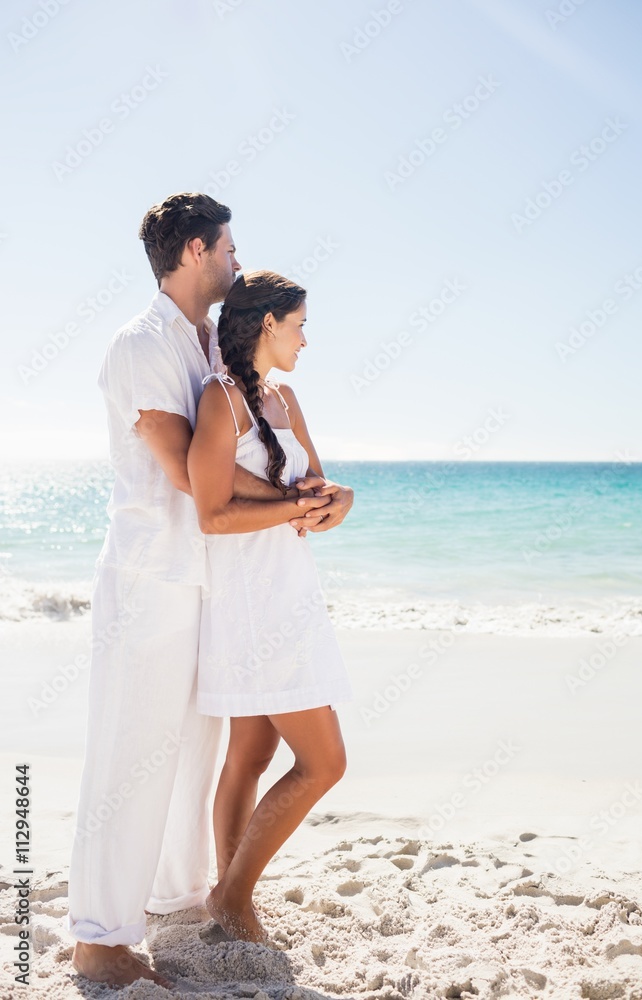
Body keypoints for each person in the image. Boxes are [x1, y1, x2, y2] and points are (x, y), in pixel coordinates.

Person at [69, 193, 354, 988]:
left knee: (190, 754)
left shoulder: (206, 345)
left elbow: (253, 453)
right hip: (151, 572)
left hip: (213, 581)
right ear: (196, 250)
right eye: (229, 247)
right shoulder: (143, 344)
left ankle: (175, 901)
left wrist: (319, 499)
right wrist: (298, 503)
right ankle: (98, 938)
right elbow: (191, 471)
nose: (236, 259)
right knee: (128, 752)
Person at [187, 270, 354, 943]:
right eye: (300, 325)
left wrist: (338, 502)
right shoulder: (218, 401)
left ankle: (230, 901)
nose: (305, 340)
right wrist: (294, 507)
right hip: (255, 606)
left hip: (288, 590)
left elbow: (314, 486)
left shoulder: (283, 396)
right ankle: (230, 899)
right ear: (267, 324)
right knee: (325, 764)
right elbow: (210, 515)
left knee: (251, 751)